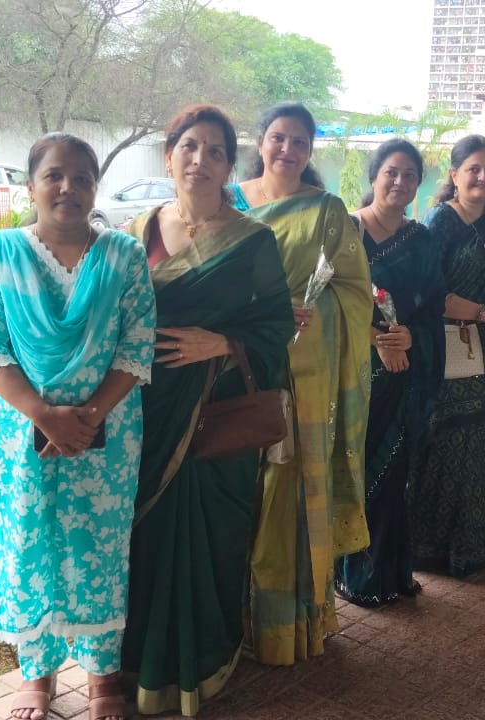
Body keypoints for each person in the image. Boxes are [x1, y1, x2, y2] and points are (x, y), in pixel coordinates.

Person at [0, 133, 155, 720]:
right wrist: (45, 416)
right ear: (31, 185)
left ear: (95, 187)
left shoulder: (124, 257)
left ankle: (101, 678)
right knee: (28, 543)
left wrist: (88, 417)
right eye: (54, 175)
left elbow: (137, 346)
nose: (68, 187)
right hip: (22, 430)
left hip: (107, 429)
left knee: (100, 548)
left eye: (82, 177)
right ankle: (36, 675)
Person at [120, 106, 294, 715]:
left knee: (212, 537)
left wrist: (221, 343)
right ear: (169, 156)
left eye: (215, 151)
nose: (200, 160)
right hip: (142, 411)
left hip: (215, 417)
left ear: (228, 166)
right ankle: (138, 667)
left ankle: (203, 664)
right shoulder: (136, 231)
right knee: (142, 541)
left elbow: (277, 324)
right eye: (189, 147)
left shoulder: (253, 240)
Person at [230, 102, 372, 665]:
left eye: (299, 142)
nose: (287, 150)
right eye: (278, 138)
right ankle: (228, 622)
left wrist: (314, 316)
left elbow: (355, 292)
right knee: (234, 486)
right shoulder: (228, 201)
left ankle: (285, 623)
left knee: (286, 489)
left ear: (311, 151)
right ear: (260, 141)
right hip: (231, 366)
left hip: (300, 371)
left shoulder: (327, 211)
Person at [335, 139, 445, 607]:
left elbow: (434, 304)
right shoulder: (345, 231)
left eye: (410, 175)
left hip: (403, 375)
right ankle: (351, 575)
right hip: (350, 374)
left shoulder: (421, 240)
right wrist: (373, 339)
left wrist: (410, 338)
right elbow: (325, 301)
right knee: (353, 470)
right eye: (391, 172)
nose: (400, 182)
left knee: (393, 475)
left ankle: (389, 573)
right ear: (374, 175)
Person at [410, 134, 485, 576]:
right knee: (443, 444)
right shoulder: (441, 222)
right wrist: (483, 313)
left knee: (476, 448)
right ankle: (427, 548)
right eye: (474, 168)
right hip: (447, 352)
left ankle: (469, 549)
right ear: (454, 175)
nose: (483, 177)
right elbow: (425, 293)